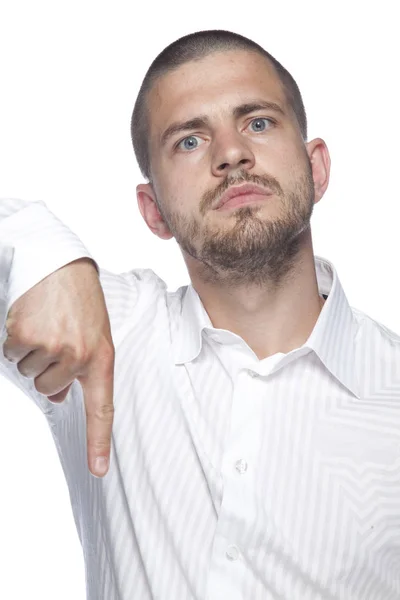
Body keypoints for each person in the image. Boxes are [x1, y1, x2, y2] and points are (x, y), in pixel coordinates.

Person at [0, 28, 399, 600]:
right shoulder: (106, 333)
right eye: (189, 140)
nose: (231, 153)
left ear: (316, 169)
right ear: (153, 209)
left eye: (258, 123)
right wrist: (48, 258)